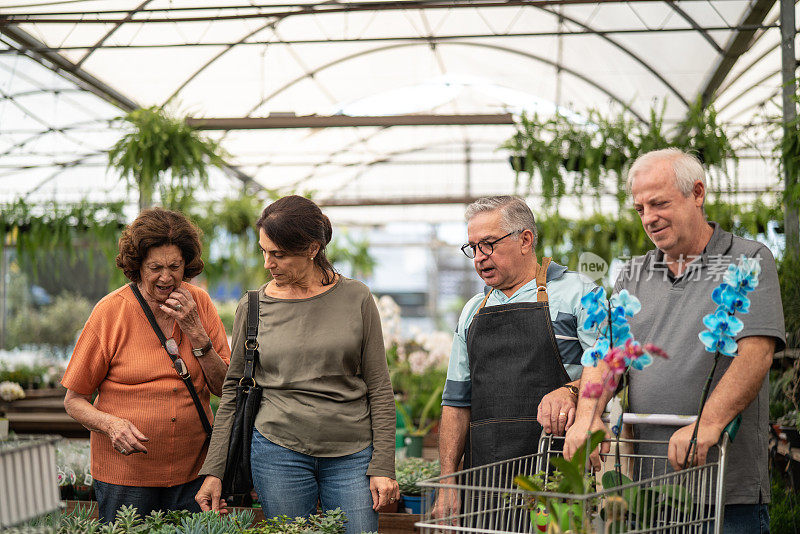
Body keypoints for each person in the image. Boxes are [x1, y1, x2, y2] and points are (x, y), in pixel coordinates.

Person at [564, 148, 785, 533]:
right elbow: (606, 357)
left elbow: (756, 353)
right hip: (649, 494)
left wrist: (709, 422)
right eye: (640, 209)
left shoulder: (747, 261)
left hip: (724, 492)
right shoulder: (633, 274)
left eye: (659, 203)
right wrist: (587, 417)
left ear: (697, 193)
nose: (649, 218)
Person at [195, 195, 398, 534]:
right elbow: (233, 391)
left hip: (352, 455)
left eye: (279, 254)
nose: (268, 264)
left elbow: (379, 386)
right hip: (278, 451)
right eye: (263, 251)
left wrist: (383, 465)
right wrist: (214, 470)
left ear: (312, 248)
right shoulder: (254, 306)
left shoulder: (357, 298)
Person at [62, 207, 231, 522]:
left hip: (194, 473)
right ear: (137, 267)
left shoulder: (201, 304)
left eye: (175, 266)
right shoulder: (110, 312)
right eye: (155, 267)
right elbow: (74, 401)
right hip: (125, 477)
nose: (166, 278)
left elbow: (225, 388)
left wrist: (196, 332)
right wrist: (112, 425)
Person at [434, 196, 597, 519]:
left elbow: (611, 370)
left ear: (525, 239)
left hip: (555, 468)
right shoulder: (472, 312)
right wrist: (448, 480)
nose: (479, 258)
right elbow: (455, 403)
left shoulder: (579, 293)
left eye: (489, 244)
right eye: (473, 248)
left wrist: (571, 390)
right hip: (484, 479)